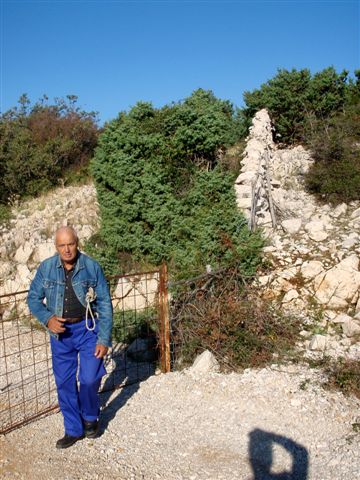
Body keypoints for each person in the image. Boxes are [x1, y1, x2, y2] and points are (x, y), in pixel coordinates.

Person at [27, 226, 113, 449]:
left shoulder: (91, 267)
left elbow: (104, 303)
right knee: (64, 383)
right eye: (62, 245)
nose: (67, 249)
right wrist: (47, 319)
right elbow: (33, 299)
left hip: (87, 329)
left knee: (89, 377)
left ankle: (90, 417)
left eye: (70, 244)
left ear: (77, 243)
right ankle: (73, 429)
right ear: (56, 247)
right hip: (60, 334)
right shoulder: (46, 269)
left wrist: (103, 339)